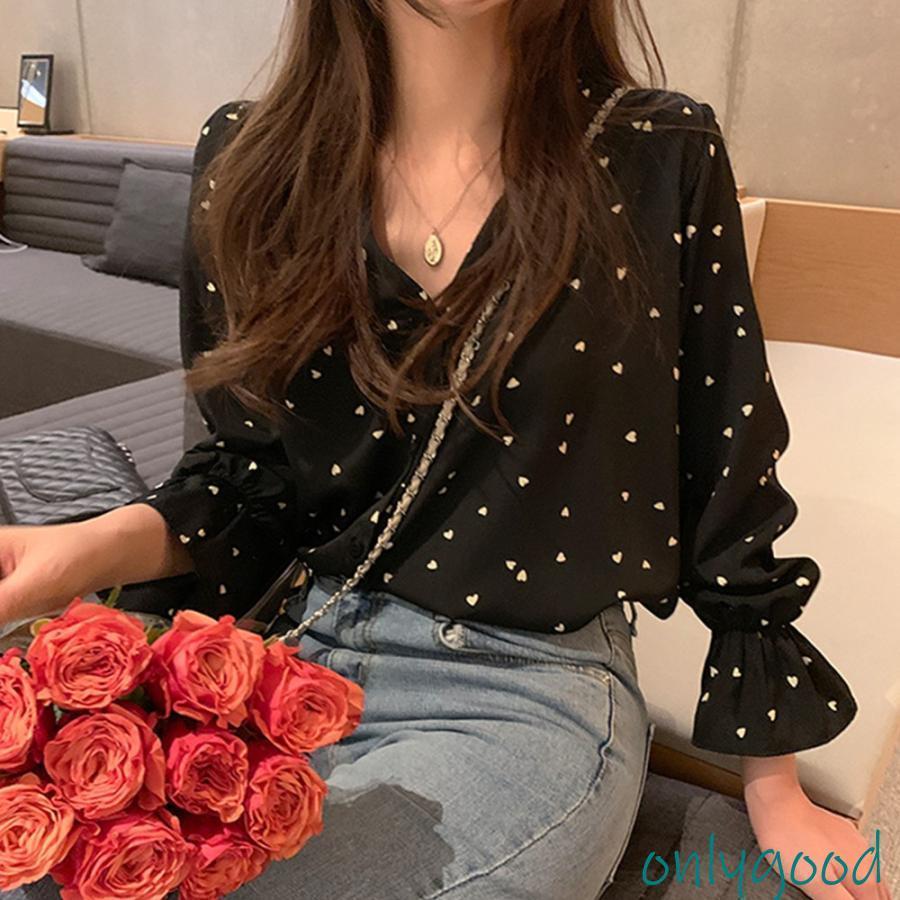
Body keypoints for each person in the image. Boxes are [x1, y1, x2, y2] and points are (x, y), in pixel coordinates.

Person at [0, 2, 880, 899]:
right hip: (277, 655)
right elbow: (249, 473)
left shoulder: (657, 154)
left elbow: (724, 464)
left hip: (523, 686)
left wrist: (775, 787)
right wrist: (87, 547)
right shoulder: (251, 159)